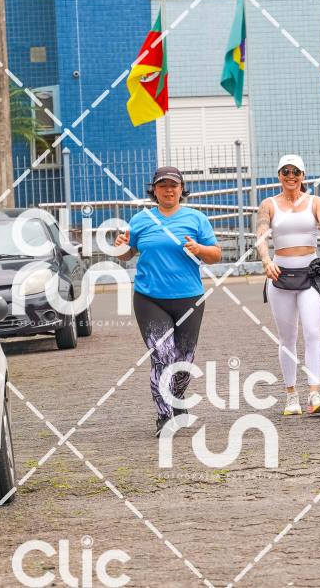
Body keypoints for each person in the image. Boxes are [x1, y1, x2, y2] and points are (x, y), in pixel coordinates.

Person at [114, 166, 222, 436]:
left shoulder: (196, 219)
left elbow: (215, 255)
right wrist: (120, 247)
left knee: (184, 360)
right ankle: (164, 416)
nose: (168, 190)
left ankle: (177, 399)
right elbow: (127, 254)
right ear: (154, 190)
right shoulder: (141, 220)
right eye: (163, 186)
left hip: (189, 298)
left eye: (173, 185)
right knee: (163, 356)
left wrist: (199, 249)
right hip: (149, 298)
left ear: (181, 189)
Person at [256, 154, 320, 416]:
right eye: (286, 171)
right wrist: (266, 261)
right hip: (279, 275)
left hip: (311, 275)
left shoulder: (316, 202)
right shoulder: (268, 204)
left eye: (296, 171)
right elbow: (260, 236)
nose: (291, 176)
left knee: (313, 332)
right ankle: (291, 394)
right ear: (279, 175)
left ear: (303, 175)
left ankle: (314, 393)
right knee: (287, 338)